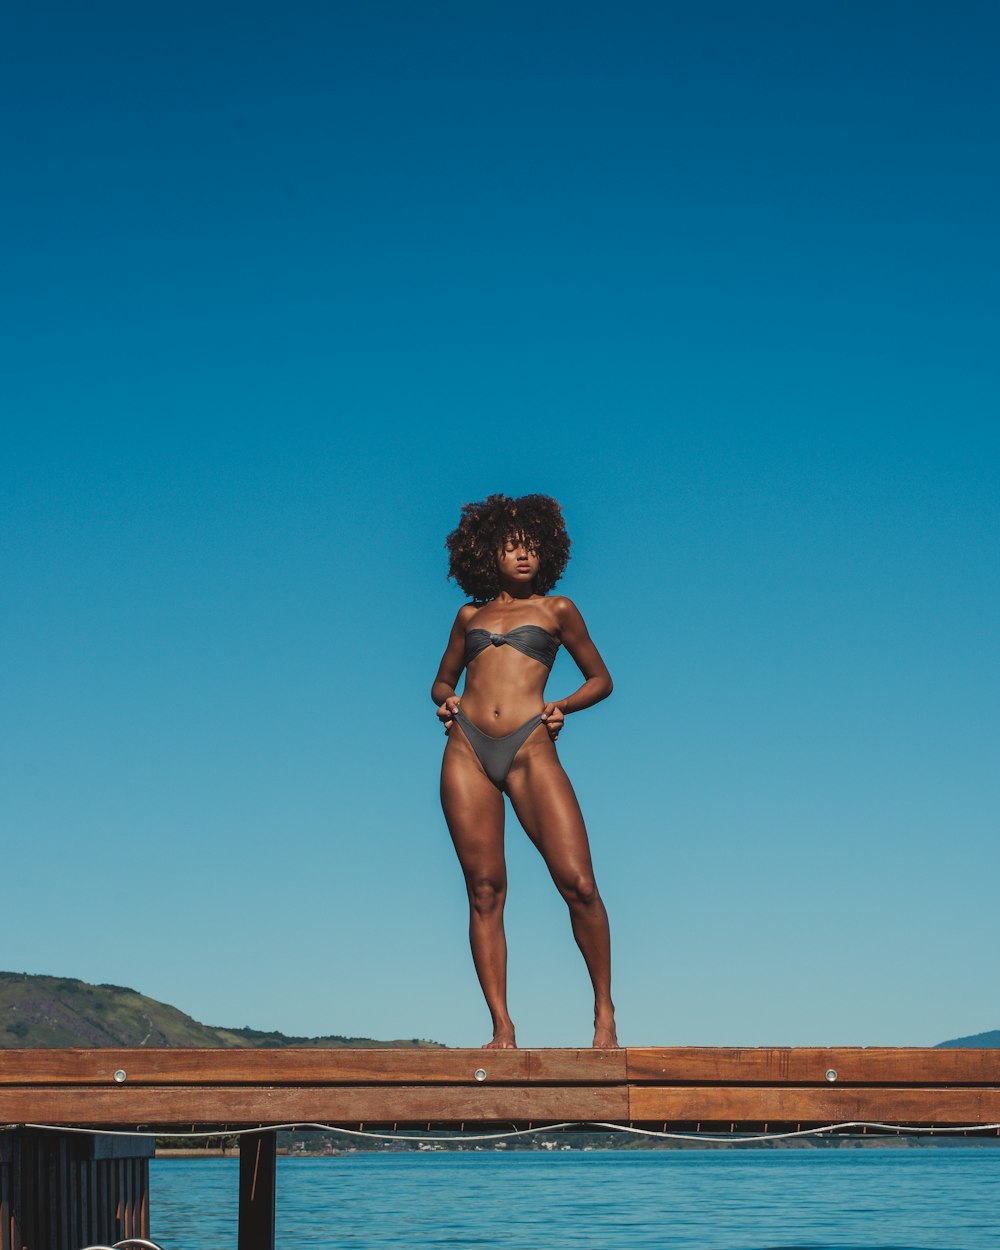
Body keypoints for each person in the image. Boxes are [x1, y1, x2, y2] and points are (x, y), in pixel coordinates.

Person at [431, 494, 618, 1049]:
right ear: (487, 554)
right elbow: (441, 681)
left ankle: (604, 1014)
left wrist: (563, 705)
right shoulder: (470, 616)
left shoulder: (558, 610)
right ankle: (502, 1028)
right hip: (466, 750)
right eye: (511, 547)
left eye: (531, 546)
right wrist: (447, 702)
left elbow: (601, 679)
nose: (523, 555)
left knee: (579, 884)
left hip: (531, 747)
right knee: (485, 889)